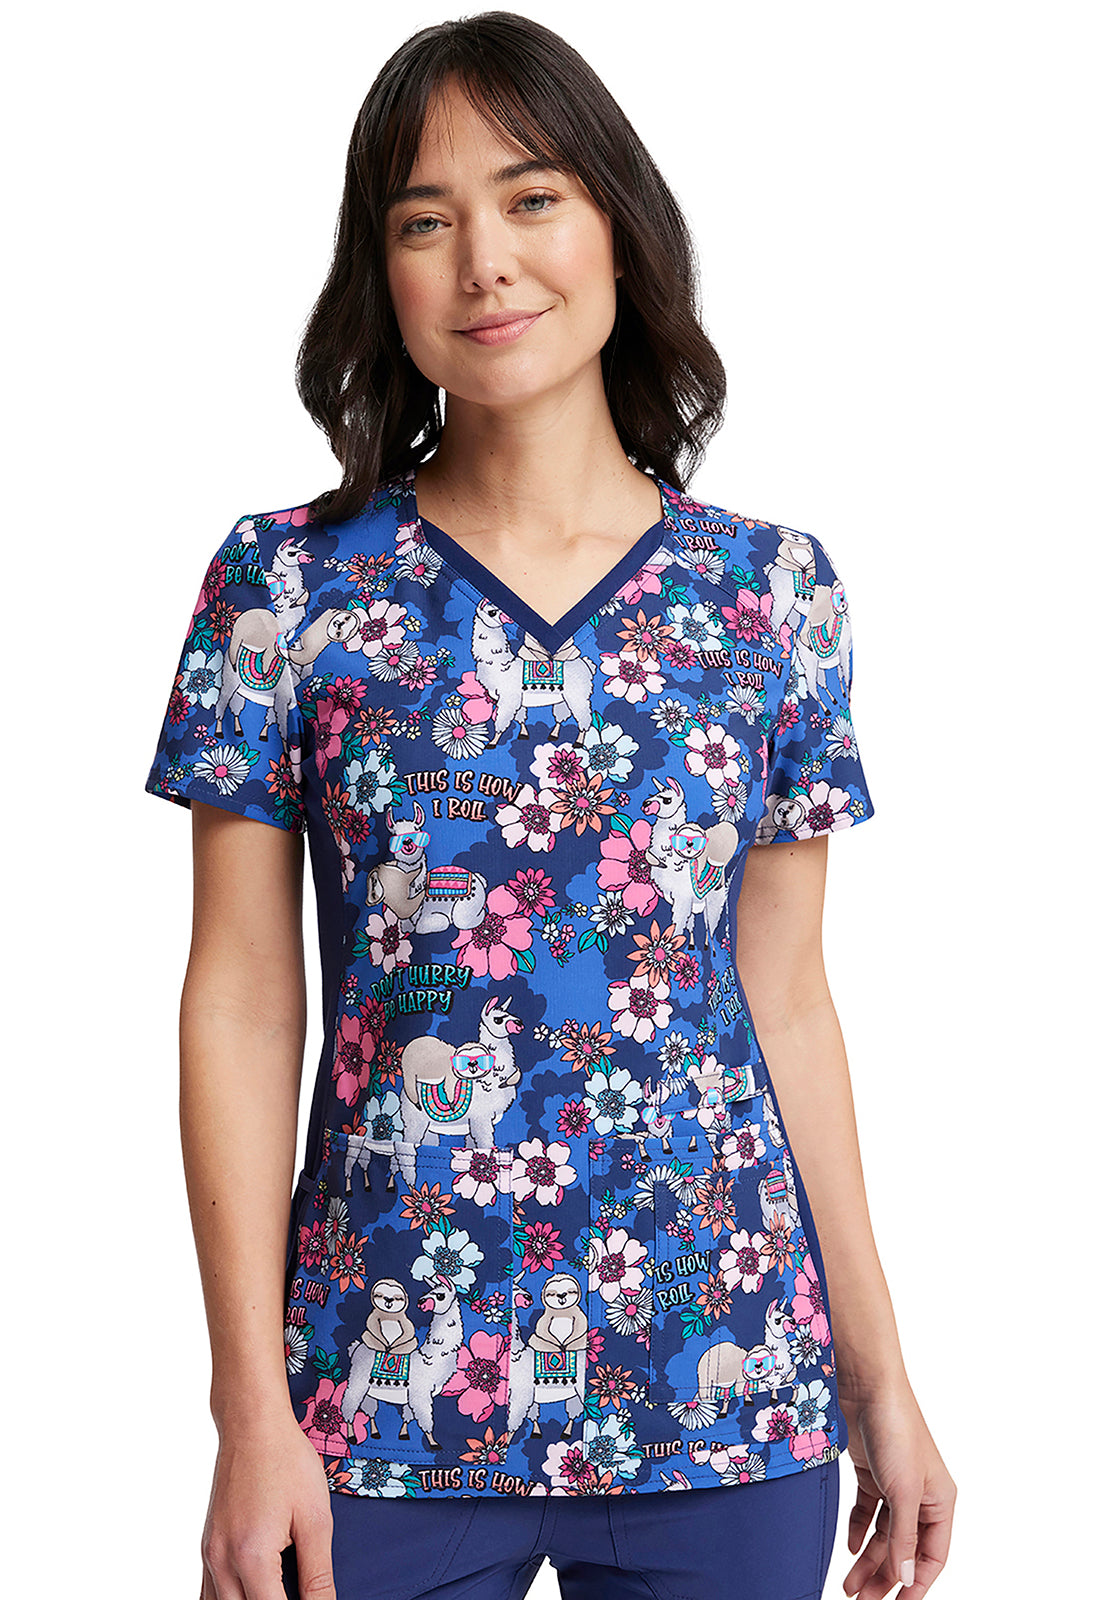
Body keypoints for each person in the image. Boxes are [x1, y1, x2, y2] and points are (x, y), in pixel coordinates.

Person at [144, 12, 956, 1600]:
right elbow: (238, 999)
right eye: (424, 222)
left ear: (618, 231)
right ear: (381, 275)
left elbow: (788, 1000)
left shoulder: (771, 595)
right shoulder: (285, 587)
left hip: (725, 1397)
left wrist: (881, 1378)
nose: (485, 263)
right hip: (372, 1411)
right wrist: (249, 1412)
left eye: (531, 200)